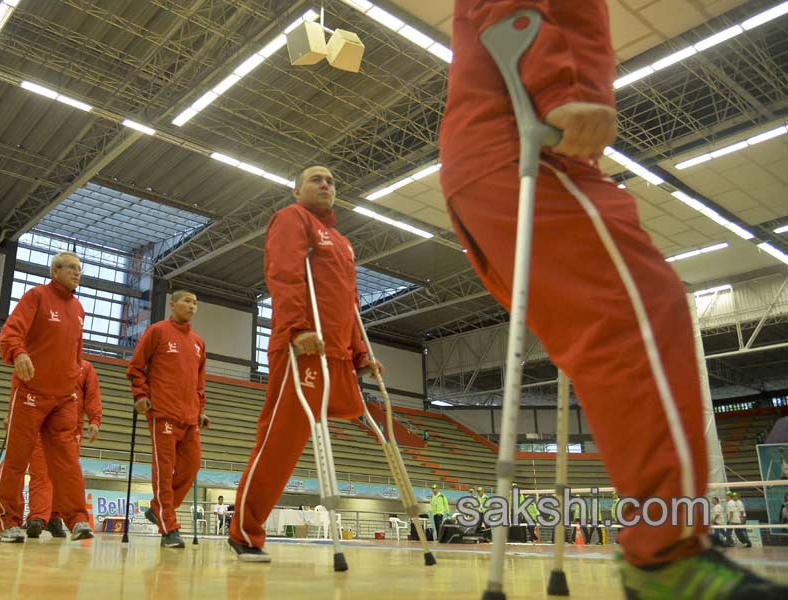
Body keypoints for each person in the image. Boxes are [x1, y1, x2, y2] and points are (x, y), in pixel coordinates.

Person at [439, 2, 787, 597]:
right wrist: (559, 85)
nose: (328, 186)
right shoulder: (298, 226)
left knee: (619, 330)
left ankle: (662, 552)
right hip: (523, 143)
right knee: (646, 310)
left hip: (529, 149)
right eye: (315, 180)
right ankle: (665, 557)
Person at [226, 166, 383, 563]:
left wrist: (361, 353)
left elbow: (349, 302)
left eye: (332, 180)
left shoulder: (344, 243)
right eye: (316, 179)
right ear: (296, 189)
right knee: (281, 441)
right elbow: (285, 272)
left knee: (305, 438)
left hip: (338, 355)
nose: (326, 184)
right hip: (303, 348)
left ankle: (249, 526)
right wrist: (296, 327)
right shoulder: (291, 218)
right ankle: (245, 531)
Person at [0, 251, 93, 543]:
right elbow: (11, 331)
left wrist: (74, 376)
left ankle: (77, 519)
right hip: (30, 393)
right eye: (71, 268)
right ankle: (8, 521)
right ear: (55, 271)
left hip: (63, 398)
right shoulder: (36, 296)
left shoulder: (78, 308)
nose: (77, 273)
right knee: (16, 459)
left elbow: (76, 350)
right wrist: (19, 353)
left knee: (67, 462)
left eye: (79, 269)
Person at [127, 290, 210, 549]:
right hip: (162, 413)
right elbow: (136, 368)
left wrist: (201, 410)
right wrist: (140, 395)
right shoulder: (157, 331)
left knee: (192, 466)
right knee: (164, 471)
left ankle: (158, 509)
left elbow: (199, 383)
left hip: (189, 418)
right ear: (172, 304)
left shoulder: (198, 342)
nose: (192, 306)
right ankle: (169, 528)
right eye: (187, 301)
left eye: (196, 302)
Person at [25, 359, 102, 538]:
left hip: (70, 428)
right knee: (39, 472)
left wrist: (95, 420)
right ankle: (37, 517)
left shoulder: (86, 368)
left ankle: (54, 518)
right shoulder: (46, 359)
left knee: (63, 475)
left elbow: (92, 395)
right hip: (40, 423)